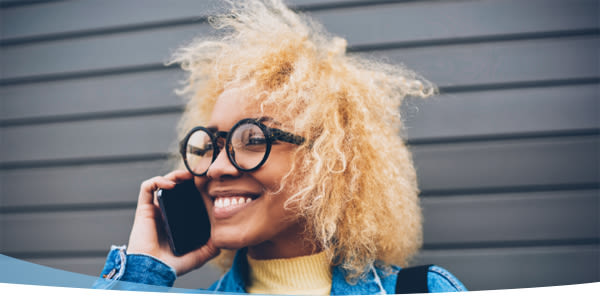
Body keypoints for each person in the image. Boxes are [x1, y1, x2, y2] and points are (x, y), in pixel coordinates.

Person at [94, 0, 466, 295]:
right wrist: (143, 273)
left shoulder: (424, 291)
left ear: (331, 161)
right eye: (211, 145)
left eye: (253, 140)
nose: (216, 168)